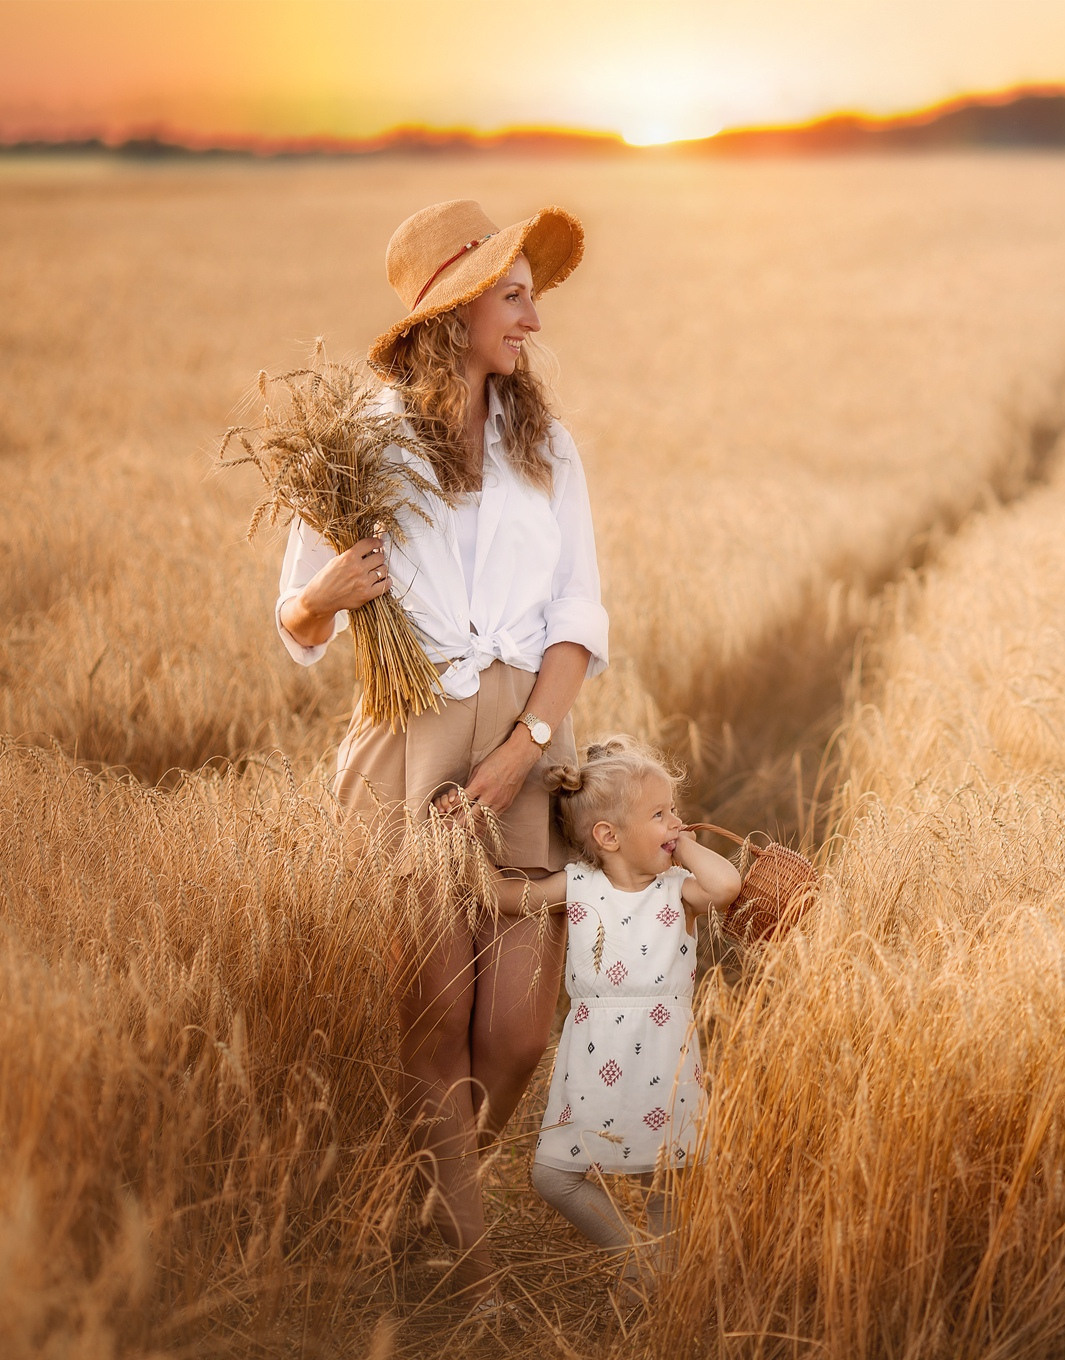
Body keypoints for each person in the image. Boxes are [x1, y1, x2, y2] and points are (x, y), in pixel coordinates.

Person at [274, 199, 604, 1305]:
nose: (532, 321)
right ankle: (465, 1283)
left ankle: (427, 1188)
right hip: (403, 744)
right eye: (515, 297)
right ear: (456, 311)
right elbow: (296, 616)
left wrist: (526, 750)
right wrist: (326, 593)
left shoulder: (545, 444)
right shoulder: (358, 440)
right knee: (429, 1029)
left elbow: (576, 617)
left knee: (510, 1031)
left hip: (523, 739)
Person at [490, 737, 741, 1296]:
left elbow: (727, 886)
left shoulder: (678, 891)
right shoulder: (579, 887)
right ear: (608, 836)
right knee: (553, 1175)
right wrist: (450, 854)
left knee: (663, 1183)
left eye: (674, 810)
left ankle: (662, 1287)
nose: (676, 822)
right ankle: (638, 1259)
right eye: (660, 814)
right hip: (592, 1054)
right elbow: (509, 897)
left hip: (662, 1055)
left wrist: (684, 843)